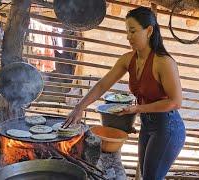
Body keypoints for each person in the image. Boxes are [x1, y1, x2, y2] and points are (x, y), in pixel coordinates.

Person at [63, 6, 186, 179]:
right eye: (127, 31)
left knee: (152, 177)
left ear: (149, 31)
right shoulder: (128, 59)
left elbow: (175, 102)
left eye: (133, 31)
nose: (129, 37)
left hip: (168, 127)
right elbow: (102, 85)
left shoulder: (163, 62)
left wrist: (137, 109)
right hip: (147, 125)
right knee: (147, 175)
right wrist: (79, 107)